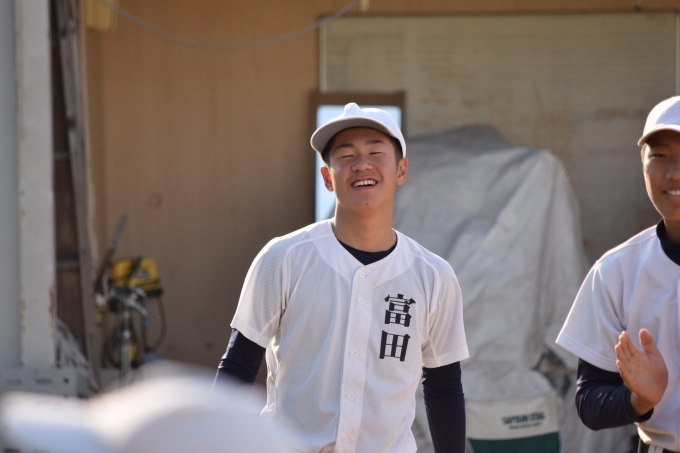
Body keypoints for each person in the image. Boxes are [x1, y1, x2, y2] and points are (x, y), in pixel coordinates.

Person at [215, 103, 469, 453]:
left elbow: (443, 387)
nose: (362, 164)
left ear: (401, 170)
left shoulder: (433, 275)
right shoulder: (284, 257)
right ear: (327, 177)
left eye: (376, 153)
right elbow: (239, 366)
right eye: (346, 156)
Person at [556, 96, 680, 453]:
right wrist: (640, 399)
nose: (673, 172)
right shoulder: (617, 270)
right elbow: (589, 400)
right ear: (642, 164)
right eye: (659, 155)